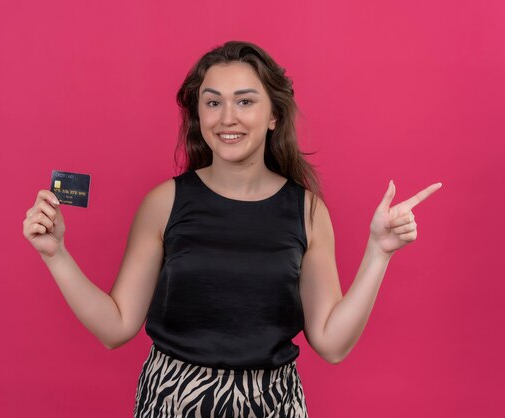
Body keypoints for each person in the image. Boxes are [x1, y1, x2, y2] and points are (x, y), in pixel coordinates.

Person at [22, 41, 441, 417]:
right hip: (172, 402)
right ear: (198, 113)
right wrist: (56, 253)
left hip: (274, 406)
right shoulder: (164, 203)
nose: (227, 118)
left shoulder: (307, 210)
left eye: (244, 102)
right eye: (212, 102)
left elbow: (332, 343)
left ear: (274, 115)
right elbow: (115, 328)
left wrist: (379, 252)